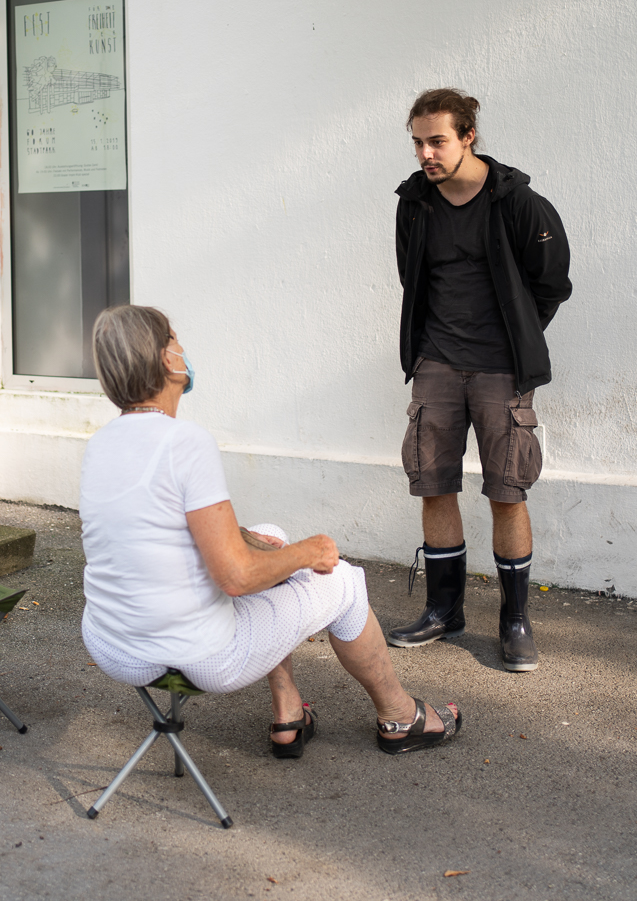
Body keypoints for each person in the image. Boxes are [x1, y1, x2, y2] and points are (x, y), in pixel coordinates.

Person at [80, 304, 461, 756]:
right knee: (345, 583)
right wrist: (308, 552)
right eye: (175, 340)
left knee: (267, 532)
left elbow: (158, 525)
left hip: (117, 648)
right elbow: (237, 578)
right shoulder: (185, 442)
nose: (183, 350)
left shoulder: (100, 445)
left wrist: (254, 541)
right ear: (167, 360)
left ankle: (289, 713)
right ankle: (400, 717)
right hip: (197, 655)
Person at [389, 89, 571, 671]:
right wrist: (427, 352)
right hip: (437, 364)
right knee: (433, 484)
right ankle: (444, 610)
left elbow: (552, 284)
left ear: (468, 136)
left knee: (506, 491)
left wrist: (516, 336)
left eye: (437, 141)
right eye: (418, 142)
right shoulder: (414, 204)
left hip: (501, 369)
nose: (426, 154)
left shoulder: (518, 203)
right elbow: (412, 278)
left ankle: (515, 620)